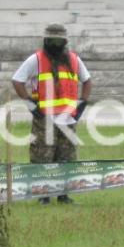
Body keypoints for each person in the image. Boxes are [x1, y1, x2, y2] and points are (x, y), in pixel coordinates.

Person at [11, 23, 93, 205]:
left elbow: (87, 81)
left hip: (68, 119)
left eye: (59, 41)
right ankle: (43, 196)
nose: (56, 45)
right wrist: (30, 104)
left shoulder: (74, 60)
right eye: (52, 41)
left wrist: (82, 103)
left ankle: (63, 195)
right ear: (46, 41)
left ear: (65, 42)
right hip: (44, 120)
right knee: (42, 157)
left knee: (66, 157)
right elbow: (17, 81)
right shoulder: (36, 60)